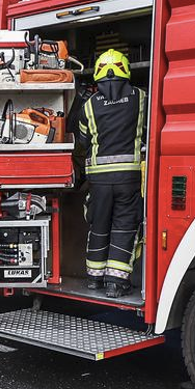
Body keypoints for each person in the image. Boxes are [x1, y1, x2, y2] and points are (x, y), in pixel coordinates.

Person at [75, 48, 147, 297]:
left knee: (99, 225)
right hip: (129, 177)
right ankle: (115, 283)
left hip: (99, 181)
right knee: (124, 227)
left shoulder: (89, 106)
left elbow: (83, 140)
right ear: (125, 71)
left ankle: (94, 278)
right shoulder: (141, 97)